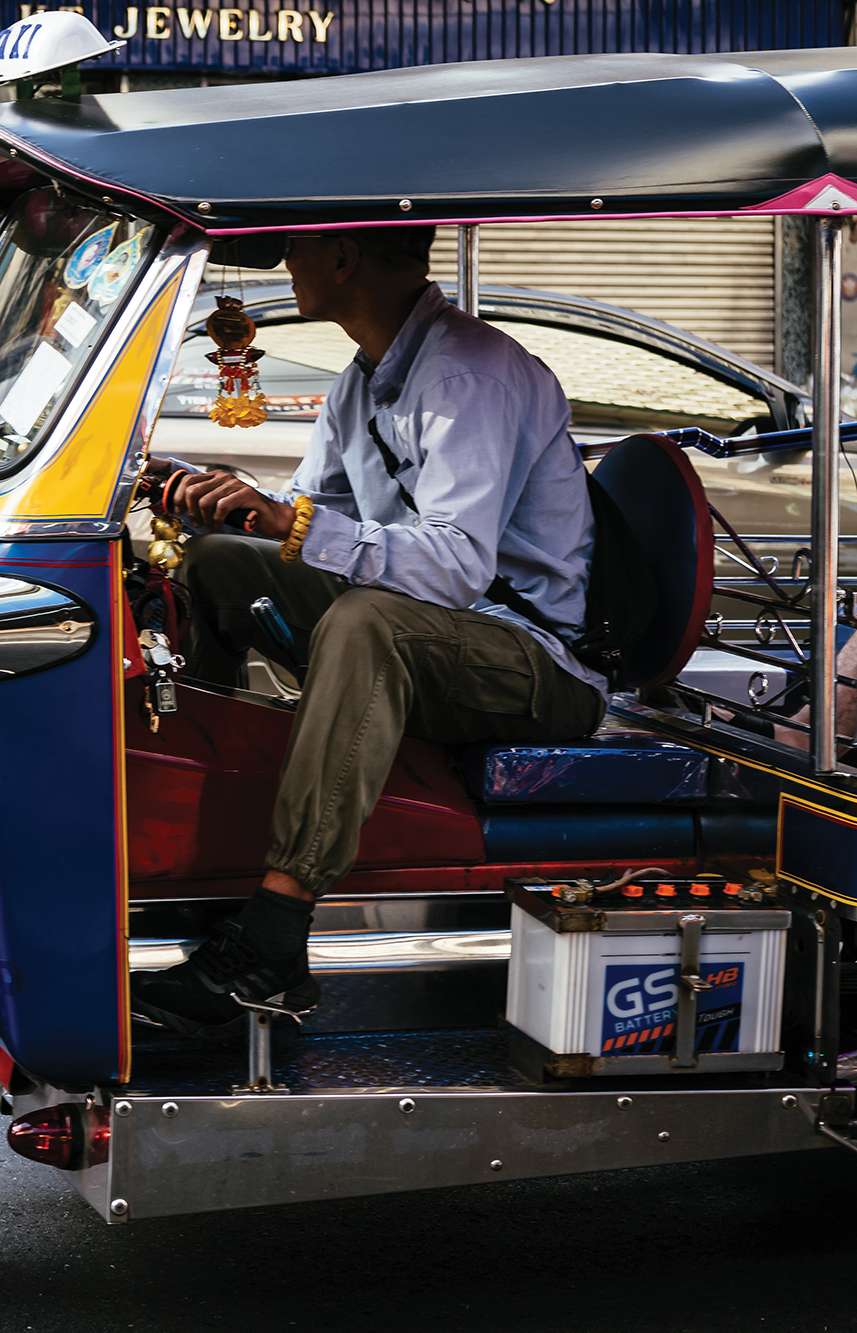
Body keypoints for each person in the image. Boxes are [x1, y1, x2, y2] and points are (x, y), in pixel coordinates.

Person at [130, 227, 605, 1034]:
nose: (287, 266)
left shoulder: (469, 372)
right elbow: (317, 519)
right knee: (217, 562)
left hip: (532, 663)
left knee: (366, 620)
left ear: (344, 258)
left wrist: (294, 522)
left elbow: (455, 566)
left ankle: (275, 936)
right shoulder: (366, 378)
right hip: (442, 633)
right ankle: (211, 863)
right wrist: (232, 502)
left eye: (298, 250)